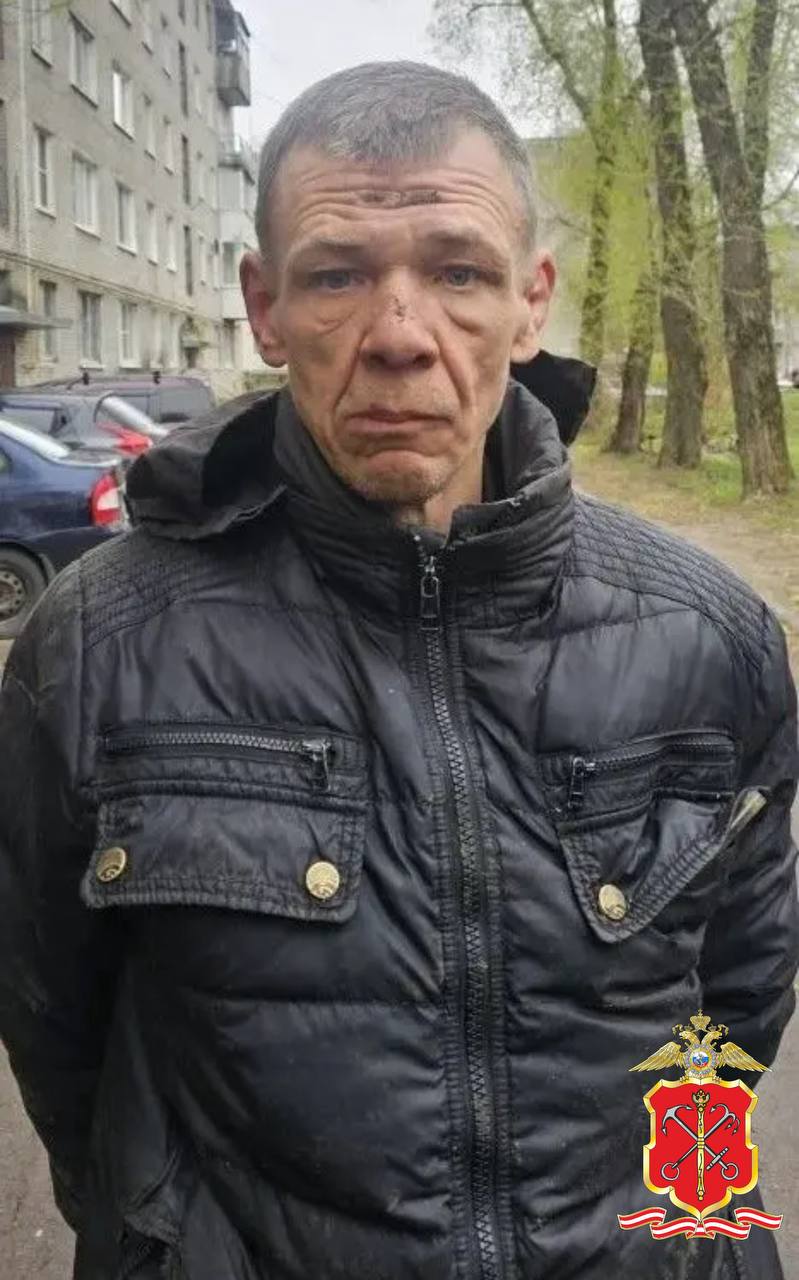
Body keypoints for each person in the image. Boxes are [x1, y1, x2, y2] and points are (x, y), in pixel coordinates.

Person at [0, 61, 796, 1280]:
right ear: (265, 307)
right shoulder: (103, 644)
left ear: (530, 302)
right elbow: (57, 1020)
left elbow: (735, 996)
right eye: (336, 275)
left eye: (459, 272)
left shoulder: (705, 633)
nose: (400, 336)